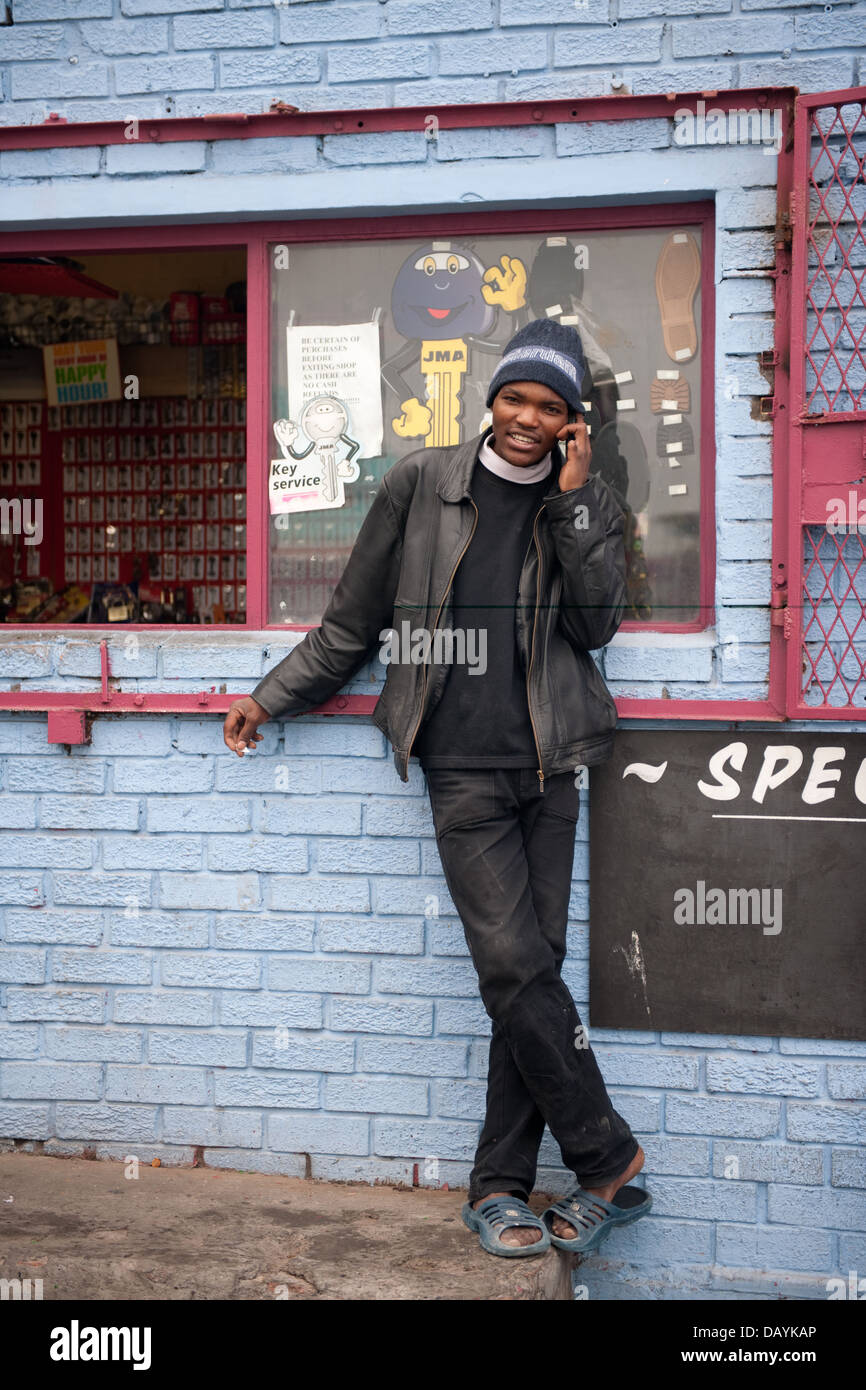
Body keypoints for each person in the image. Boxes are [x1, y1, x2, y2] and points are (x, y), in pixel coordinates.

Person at [223, 317, 652, 1258]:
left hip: (553, 766)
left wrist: (575, 505)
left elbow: (595, 628)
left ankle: (498, 1187)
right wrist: (272, 696)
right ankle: (607, 1156)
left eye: (550, 407)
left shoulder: (594, 504)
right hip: (463, 766)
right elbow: (353, 622)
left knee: (523, 977)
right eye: (515, 399)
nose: (528, 420)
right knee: (514, 967)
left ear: (575, 422)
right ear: (489, 400)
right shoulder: (424, 483)